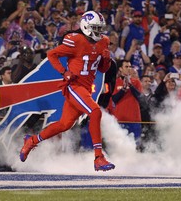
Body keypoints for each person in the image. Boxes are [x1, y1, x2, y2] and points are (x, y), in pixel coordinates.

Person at [19, 10, 115, 172]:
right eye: (96, 28)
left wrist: (106, 59)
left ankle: (32, 141)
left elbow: (103, 69)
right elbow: (52, 54)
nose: (100, 32)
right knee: (95, 111)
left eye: (100, 28)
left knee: (64, 124)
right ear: (86, 27)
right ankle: (98, 157)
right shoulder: (75, 40)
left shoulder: (103, 41)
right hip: (74, 86)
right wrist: (64, 72)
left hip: (85, 89)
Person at [109, 60, 142, 147]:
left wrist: (130, 86)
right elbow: (114, 99)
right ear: (120, 69)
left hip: (134, 119)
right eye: (126, 67)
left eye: (130, 66)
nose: (129, 69)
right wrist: (123, 89)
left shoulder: (136, 82)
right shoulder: (115, 82)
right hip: (120, 119)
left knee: (136, 145)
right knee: (119, 146)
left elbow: (140, 98)